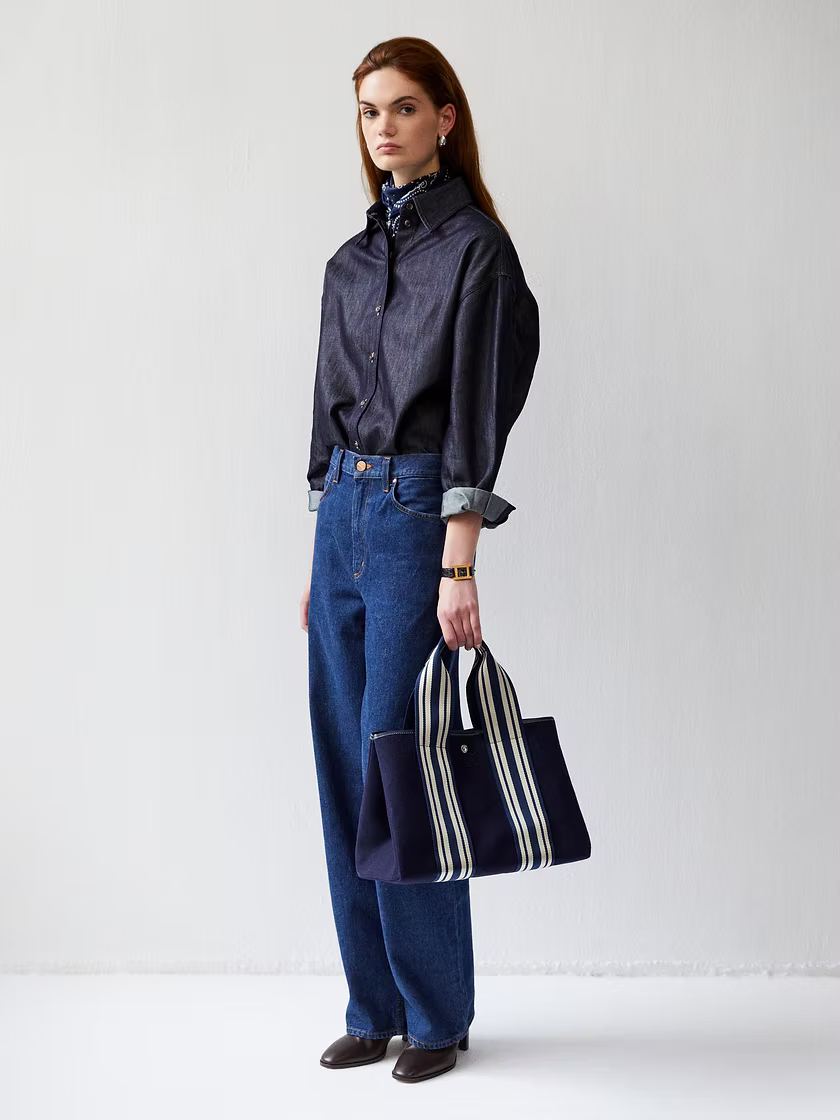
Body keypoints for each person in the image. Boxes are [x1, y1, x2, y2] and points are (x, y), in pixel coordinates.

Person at [299, 36, 540, 1084]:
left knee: (401, 761)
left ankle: (437, 1015)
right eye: (369, 111)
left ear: (446, 116)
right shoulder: (347, 265)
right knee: (345, 767)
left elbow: (479, 411)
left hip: (414, 516)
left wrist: (459, 563)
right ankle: (375, 1005)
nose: (384, 128)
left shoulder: (476, 250)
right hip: (341, 521)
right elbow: (326, 410)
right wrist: (319, 560)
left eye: (403, 107)